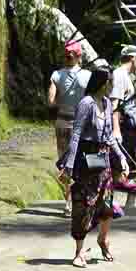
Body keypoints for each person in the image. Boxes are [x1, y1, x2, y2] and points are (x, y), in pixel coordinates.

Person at [59, 66, 130, 268]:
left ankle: (103, 239)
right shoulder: (86, 103)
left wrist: (121, 157)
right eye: (110, 82)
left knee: (107, 204)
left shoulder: (107, 104)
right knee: (84, 205)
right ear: (102, 83)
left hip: (103, 159)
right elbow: (76, 134)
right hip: (85, 160)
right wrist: (70, 166)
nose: (112, 86)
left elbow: (108, 136)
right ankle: (79, 252)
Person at [111, 45, 136, 210]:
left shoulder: (124, 75)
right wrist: (116, 129)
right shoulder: (120, 75)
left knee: (132, 161)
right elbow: (115, 103)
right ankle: (125, 203)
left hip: (130, 128)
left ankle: (126, 201)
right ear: (133, 58)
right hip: (124, 128)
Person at [47, 39, 89, 197]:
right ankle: (81, 197)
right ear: (79, 56)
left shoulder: (56, 75)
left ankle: (68, 201)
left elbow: (50, 103)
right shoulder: (88, 76)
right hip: (82, 125)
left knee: (64, 161)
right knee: (81, 160)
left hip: (62, 123)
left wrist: (63, 100)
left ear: (65, 56)